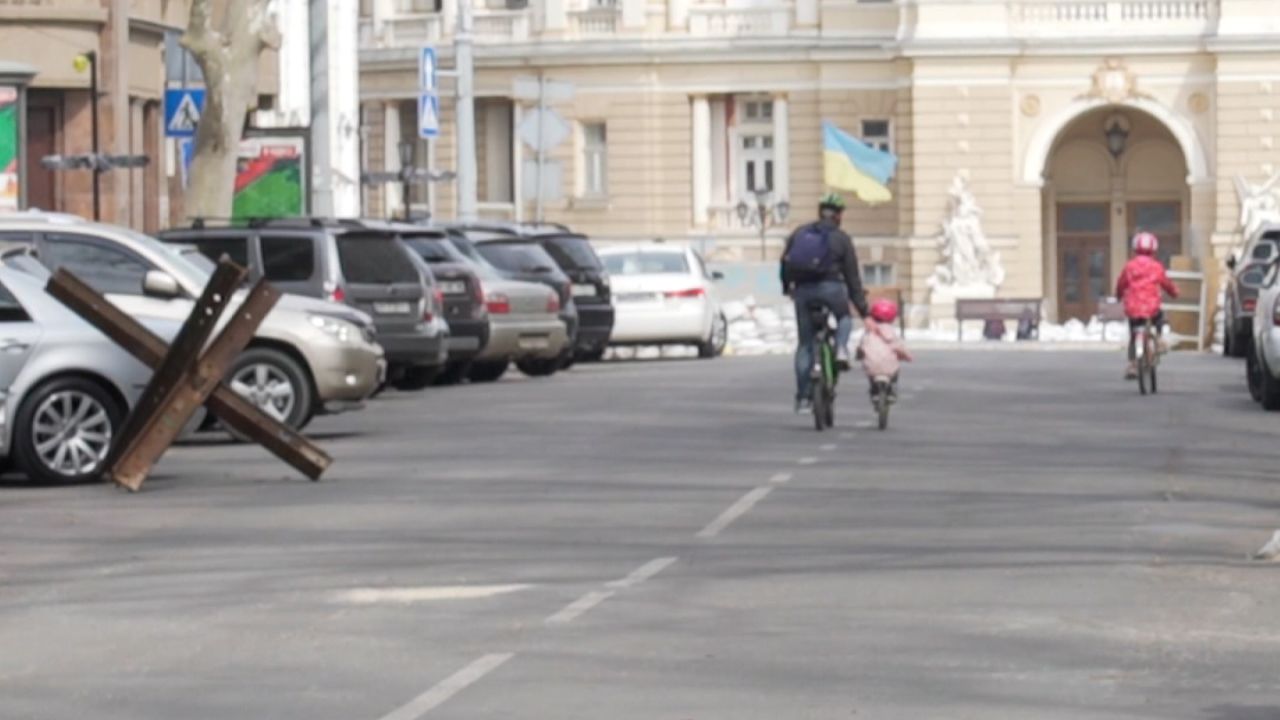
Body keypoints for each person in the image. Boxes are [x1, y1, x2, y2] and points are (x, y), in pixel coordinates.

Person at [781, 192, 871, 414]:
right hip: (832, 290)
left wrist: (788, 288)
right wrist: (863, 310)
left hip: (803, 292)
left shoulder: (800, 233)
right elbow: (852, 278)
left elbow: (785, 264)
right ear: (838, 216)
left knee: (805, 344)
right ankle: (840, 348)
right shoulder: (842, 238)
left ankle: (803, 397)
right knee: (844, 318)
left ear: (819, 212)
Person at [1115, 231, 1179, 380]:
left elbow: (1121, 284)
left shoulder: (1130, 267)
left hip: (1133, 308)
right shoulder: (1156, 267)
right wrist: (1174, 293)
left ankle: (1132, 364)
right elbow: (1167, 284)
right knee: (1160, 318)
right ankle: (1160, 339)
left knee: (1134, 332)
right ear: (1153, 250)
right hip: (1151, 307)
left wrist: (1118, 295)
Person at [858, 298, 913, 401]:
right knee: (895, 370)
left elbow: (862, 346)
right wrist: (907, 356)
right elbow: (899, 347)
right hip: (889, 366)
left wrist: (859, 355)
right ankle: (891, 388)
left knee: (870, 372)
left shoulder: (869, 332)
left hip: (871, 365)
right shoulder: (891, 332)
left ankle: (874, 388)